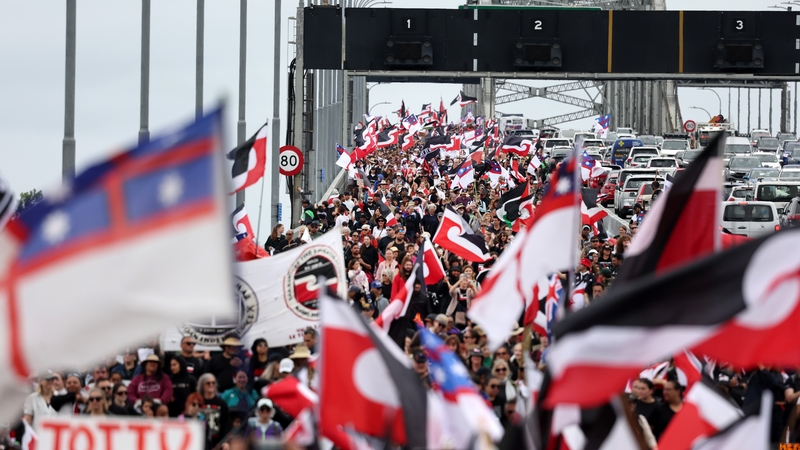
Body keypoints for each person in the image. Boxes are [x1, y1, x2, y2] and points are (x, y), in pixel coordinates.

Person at [196, 373, 231, 449]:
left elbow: (226, 423)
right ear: (202, 385)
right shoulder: (197, 402)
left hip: (218, 441)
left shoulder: (221, 403)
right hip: (201, 440)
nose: (211, 385)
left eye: (213, 383)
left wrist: (226, 441)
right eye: (208, 383)